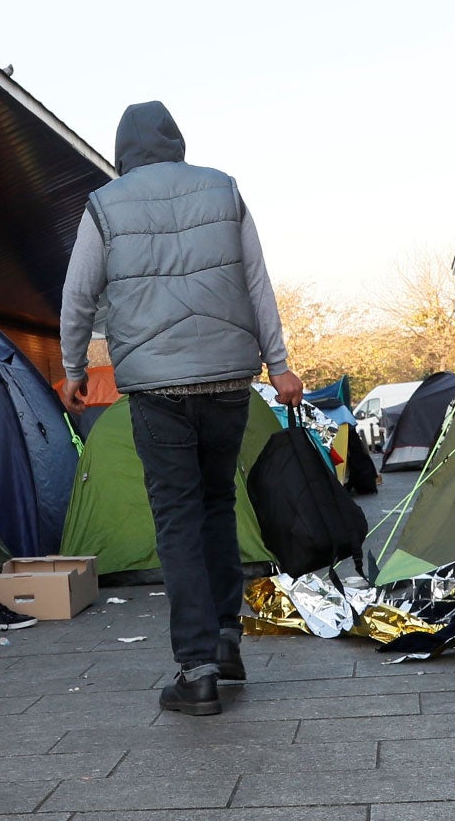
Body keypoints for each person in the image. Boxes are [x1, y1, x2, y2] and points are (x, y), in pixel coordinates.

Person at [59, 100, 301, 716]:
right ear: (176, 142)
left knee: (177, 518)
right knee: (218, 503)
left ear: (123, 152)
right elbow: (257, 282)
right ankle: (225, 639)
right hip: (226, 381)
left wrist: (72, 370)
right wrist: (279, 364)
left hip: (157, 390)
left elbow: (79, 292)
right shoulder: (224, 191)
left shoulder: (104, 205)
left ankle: (195, 671)